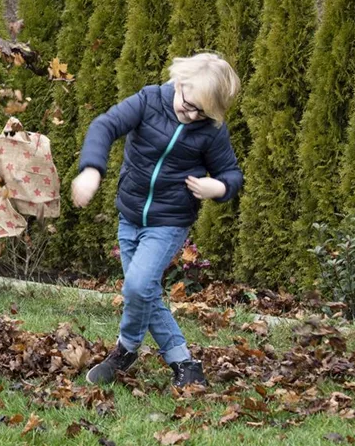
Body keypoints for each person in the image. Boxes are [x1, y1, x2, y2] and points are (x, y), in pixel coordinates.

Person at [72, 52, 242, 389]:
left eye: (200, 112)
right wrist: (91, 169)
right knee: (144, 290)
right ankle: (183, 361)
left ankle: (126, 348)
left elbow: (232, 174)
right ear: (179, 82)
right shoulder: (149, 100)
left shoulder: (209, 130)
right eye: (188, 103)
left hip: (169, 222)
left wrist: (217, 186)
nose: (190, 114)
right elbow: (105, 125)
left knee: (137, 286)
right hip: (130, 215)